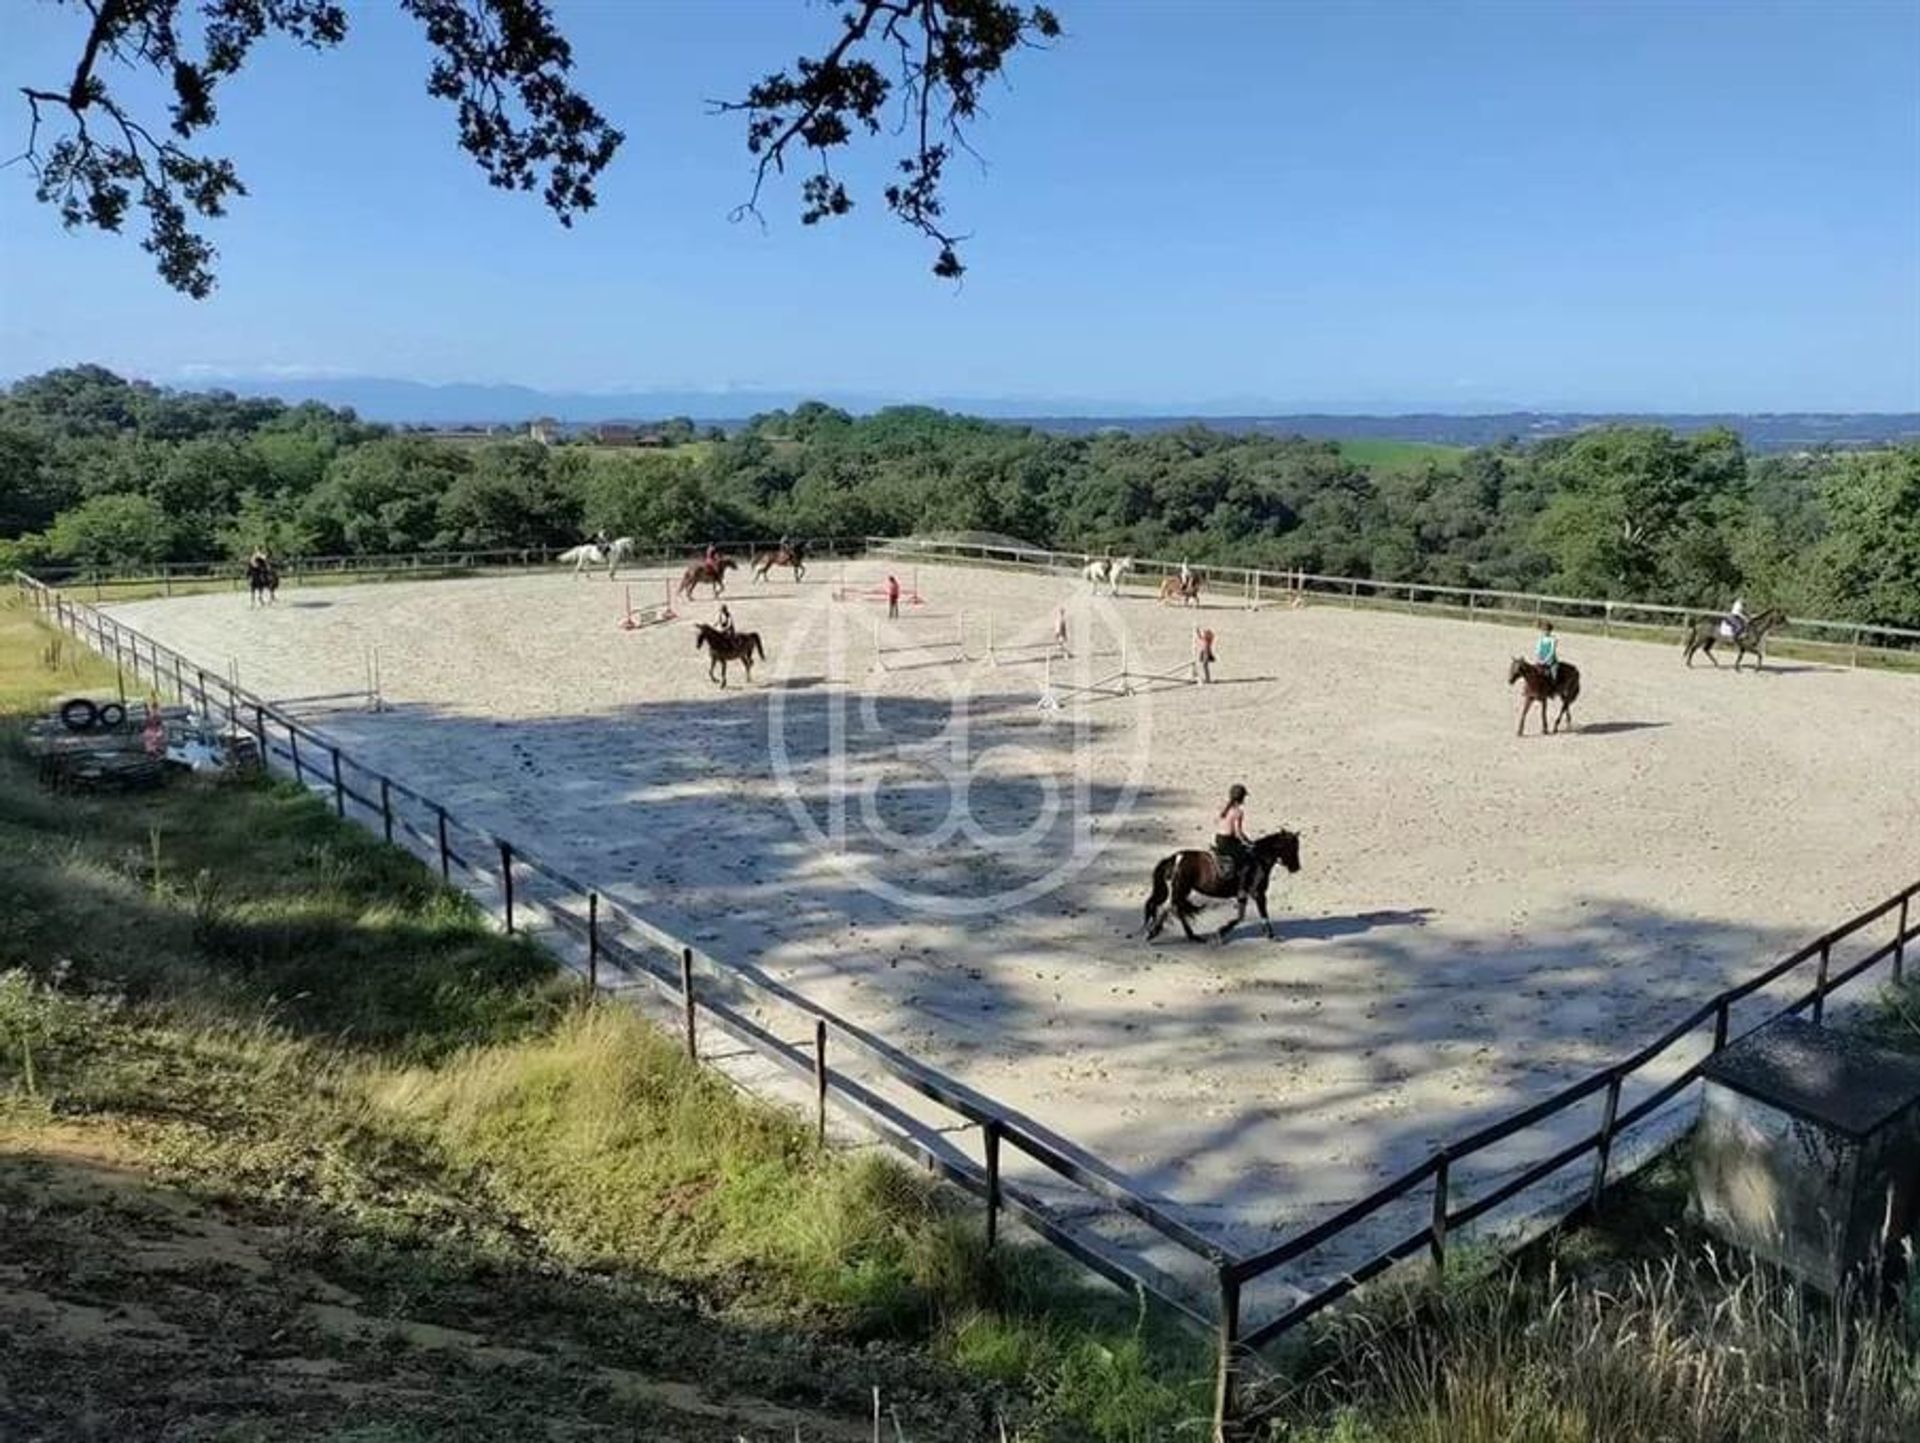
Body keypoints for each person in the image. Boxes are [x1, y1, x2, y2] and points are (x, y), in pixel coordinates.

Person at [1212, 783, 1253, 885]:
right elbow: (1238, 832)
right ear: (1242, 797)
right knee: (1246, 860)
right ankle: (1241, 887)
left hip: (1218, 838)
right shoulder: (1238, 812)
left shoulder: (1223, 808)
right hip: (1228, 841)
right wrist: (1248, 842)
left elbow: (1216, 821)